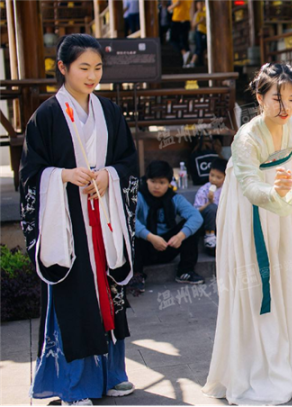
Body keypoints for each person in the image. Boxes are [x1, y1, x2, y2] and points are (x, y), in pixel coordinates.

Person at [20, 34, 138, 406]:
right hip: (69, 224)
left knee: (109, 294)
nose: (92, 76)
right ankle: (73, 387)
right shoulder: (46, 116)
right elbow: (30, 176)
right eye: (83, 68)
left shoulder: (110, 112)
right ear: (63, 68)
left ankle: (112, 374)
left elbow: (127, 161)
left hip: (105, 219)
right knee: (74, 297)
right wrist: (62, 176)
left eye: (98, 68)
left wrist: (108, 177)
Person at [203, 63, 292, 405]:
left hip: (284, 206)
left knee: (283, 281)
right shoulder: (247, 137)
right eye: (277, 98)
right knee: (256, 285)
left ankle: (282, 363)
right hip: (249, 211)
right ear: (260, 98)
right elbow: (249, 185)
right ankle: (254, 368)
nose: (286, 107)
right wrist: (274, 192)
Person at [134, 160, 204, 292]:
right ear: (146, 180)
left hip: (168, 245)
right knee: (131, 231)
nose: (157, 186)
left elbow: (196, 217)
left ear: (169, 183)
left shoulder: (174, 198)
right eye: (153, 181)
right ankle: (137, 275)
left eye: (162, 182)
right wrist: (151, 237)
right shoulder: (138, 196)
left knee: (192, 226)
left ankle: (185, 271)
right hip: (145, 246)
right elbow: (131, 220)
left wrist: (180, 236)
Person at [193, 157, 227, 251]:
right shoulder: (204, 190)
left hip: (223, 220)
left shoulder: (227, 190)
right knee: (212, 208)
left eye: (218, 177)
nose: (214, 179)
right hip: (207, 220)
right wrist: (209, 202)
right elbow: (196, 210)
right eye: (212, 175)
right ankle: (210, 236)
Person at [168, 0, 192, 66]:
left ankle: (184, 53)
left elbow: (178, 2)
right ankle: (187, 61)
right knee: (184, 41)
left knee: (173, 40)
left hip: (177, 19)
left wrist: (169, 8)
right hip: (186, 19)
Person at [185, 1, 206, 68]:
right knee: (199, 48)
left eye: (202, 4)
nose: (201, 5)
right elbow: (193, 25)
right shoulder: (197, 14)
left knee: (204, 48)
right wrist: (200, 21)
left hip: (206, 32)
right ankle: (192, 62)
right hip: (199, 32)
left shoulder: (206, 13)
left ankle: (202, 62)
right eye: (199, 4)